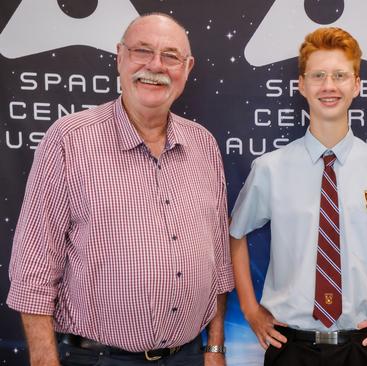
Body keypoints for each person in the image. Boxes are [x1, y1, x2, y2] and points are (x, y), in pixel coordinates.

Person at [7, 13, 234, 366]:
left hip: (189, 356)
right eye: (142, 51)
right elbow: (33, 270)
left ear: (187, 67)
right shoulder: (69, 140)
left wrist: (215, 347)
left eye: (171, 56)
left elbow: (219, 261)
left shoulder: (203, 145)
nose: (155, 65)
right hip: (99, 359)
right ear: (120, 57)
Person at [229, 27, 367, 366]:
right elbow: (235, 234)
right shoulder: (270, 168)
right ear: (301, 85)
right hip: (290, 346)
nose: (329, 86)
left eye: (340, 75)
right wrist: (250, 309)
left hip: (361, 345)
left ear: (357, 85)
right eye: (318, 76)